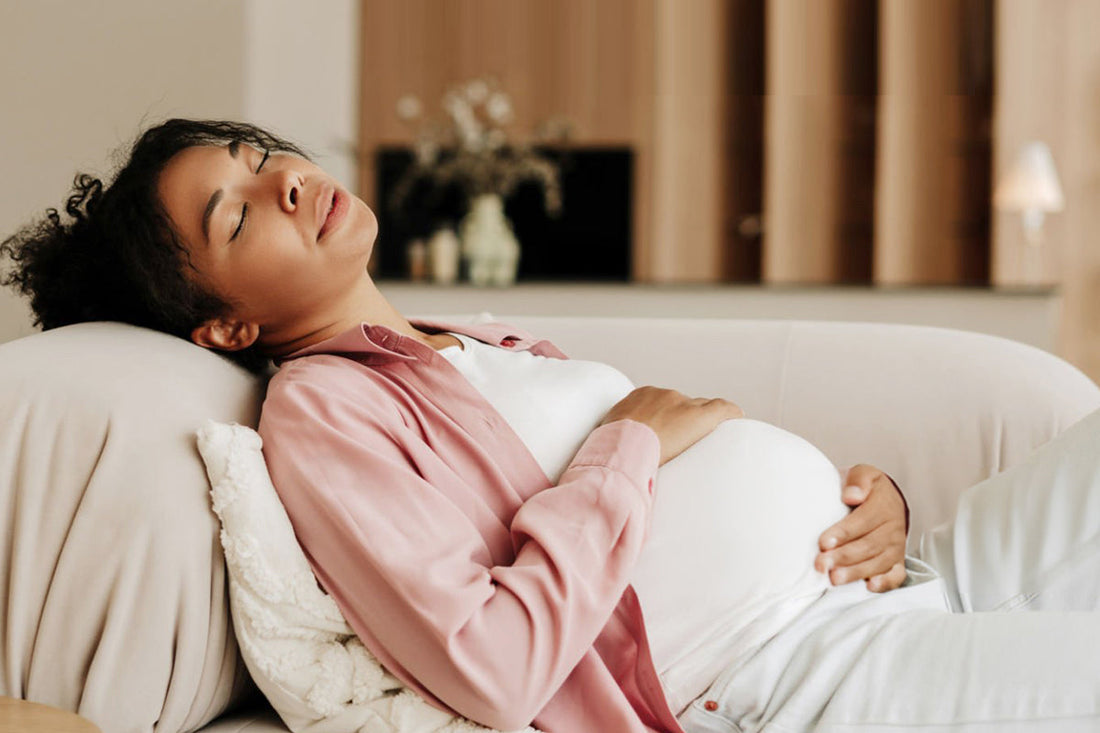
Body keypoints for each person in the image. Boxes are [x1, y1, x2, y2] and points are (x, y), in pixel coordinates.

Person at [2, 118, 1098, 732]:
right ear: (227, 324)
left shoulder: (459, 340)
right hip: (803, 667)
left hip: (900, 572)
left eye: (254, 157)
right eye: (238, 212)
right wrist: (628, 437)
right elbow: (489, 663)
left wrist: (874, 506)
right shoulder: (324, 412)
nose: (284, 180)